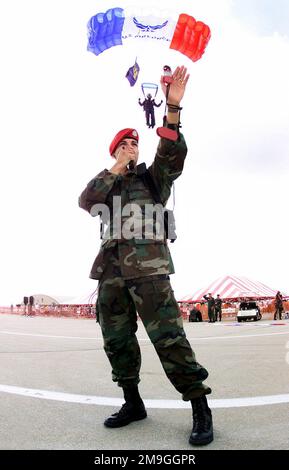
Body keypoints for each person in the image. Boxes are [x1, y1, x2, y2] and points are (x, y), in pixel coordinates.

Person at [79, 66, 213, 446]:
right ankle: (132, 402)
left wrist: (172, 108)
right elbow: (86, 201)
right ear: (114, 152)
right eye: (124, 146)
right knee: (117, 341)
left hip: (150, 271)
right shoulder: (106, 185)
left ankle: (200, 407)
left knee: (170, 339)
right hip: (111, 275)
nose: (131, 148)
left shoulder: (152, 180)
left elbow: (171, 155)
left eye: (134, 145)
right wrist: (116, 166)